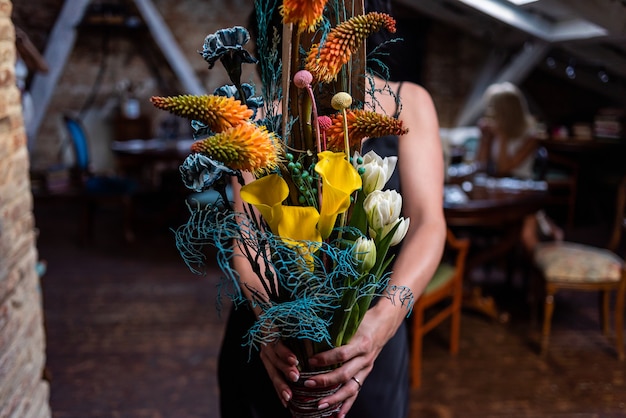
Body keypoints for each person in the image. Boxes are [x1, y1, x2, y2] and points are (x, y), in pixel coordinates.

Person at [217, 2, 446, 417]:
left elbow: (429, 224)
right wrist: (268, 326)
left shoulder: (407, 103)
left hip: (367, 332)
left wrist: (382, 324)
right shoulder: (255, 118)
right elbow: (245, 232)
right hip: (272, 334)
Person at [475, 82, 538, 179]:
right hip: (497, 183)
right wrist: (484, 138)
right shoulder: (493, 131)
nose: (489, 112)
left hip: (519, 183)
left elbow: (503, 169)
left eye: (493, 107)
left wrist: (502, 136)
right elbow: (480, 166)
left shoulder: (530, 136)